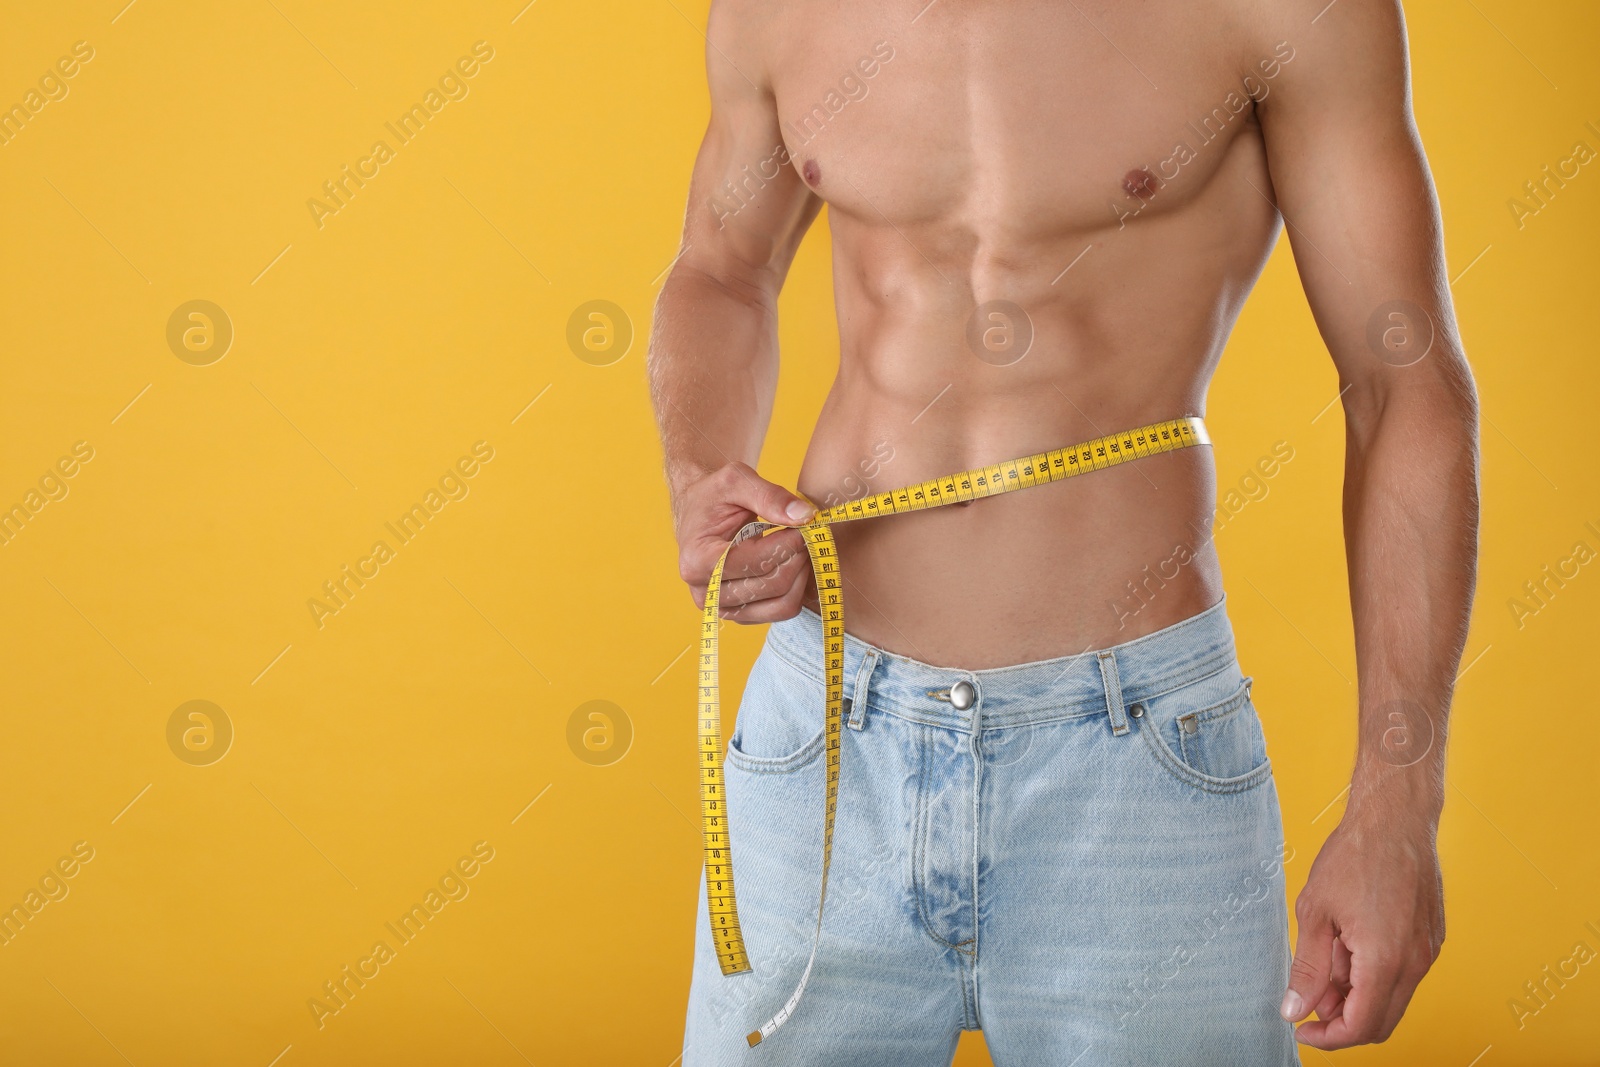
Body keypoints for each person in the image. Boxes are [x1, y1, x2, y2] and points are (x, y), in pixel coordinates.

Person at [647, 0, 1479, 1062]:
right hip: (825, 732)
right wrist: (698, 471)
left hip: (1133, 762)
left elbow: (1402, 387)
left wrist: (1396, 808)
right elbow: (718, 269)